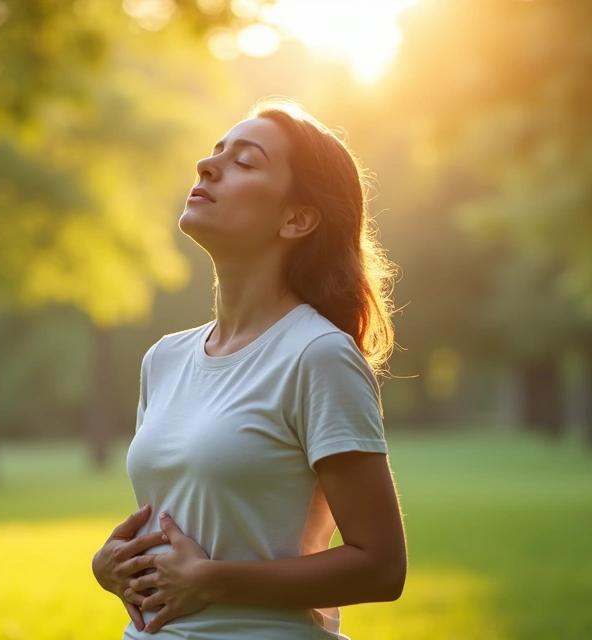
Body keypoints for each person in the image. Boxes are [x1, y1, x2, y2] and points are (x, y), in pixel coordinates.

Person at [91, 97, 407, 639]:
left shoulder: (318, 355)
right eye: (216, 151)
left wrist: (215, 581)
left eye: (245, 161)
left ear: (297, 218)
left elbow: (381, 567)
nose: (207, 165)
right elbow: (181, 530)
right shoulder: (164, 359)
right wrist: (111, 567)